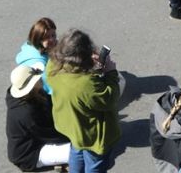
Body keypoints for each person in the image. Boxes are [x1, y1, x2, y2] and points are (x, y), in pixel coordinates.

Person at [45, 29, 123, 172]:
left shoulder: (52, 65)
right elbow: (109, 99)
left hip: (71, 125)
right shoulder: (85, 83)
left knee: (76, 149)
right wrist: (110, 72)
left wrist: (91, 68)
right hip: (92, 135)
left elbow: (77, 83)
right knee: (95, 163)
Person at [6, 65, 71, 171]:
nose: (40, 79)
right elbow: (51, 136)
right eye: (37, 79)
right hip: (30, 153)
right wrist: (76, 136)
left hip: (38, 140)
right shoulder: (26, 114)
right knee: (79, 151)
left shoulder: (33, 94)